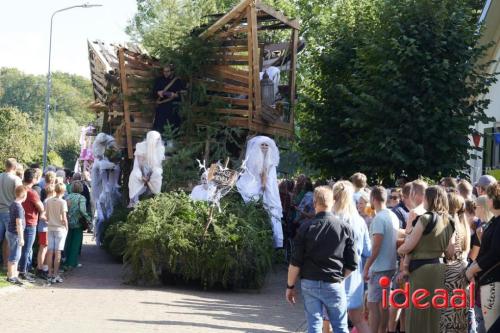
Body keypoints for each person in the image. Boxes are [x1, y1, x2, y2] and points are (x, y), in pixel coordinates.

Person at [286, 186, 357, 333]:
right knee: (340, 327)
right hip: (333, 282)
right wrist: (340, 278)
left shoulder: (305, 228)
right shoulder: (345, 228)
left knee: (314, 325)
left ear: (314, 203)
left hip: (310, 282)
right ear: (333, 202)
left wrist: (290, 286)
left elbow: (295, 262)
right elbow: (352, 263)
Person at [397, 186, 455, 333]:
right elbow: (450, 252)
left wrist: (399, 249)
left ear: (429, 199)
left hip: (421, 271)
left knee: (417, 313)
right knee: (435, 314)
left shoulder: (425, 218)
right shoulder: (450, 221)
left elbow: (409, 245)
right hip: (439, 270)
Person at [324, 181, 371, 333]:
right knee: (359, 321)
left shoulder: (330, 219)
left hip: (333, 275)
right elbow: (367, 251)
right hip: (355, 277)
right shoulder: (360, 221)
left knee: (328, 321)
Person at [362, 186, 400, 333]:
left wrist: (366, 267)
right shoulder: (392, 215)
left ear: (373, 199)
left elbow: (376, 245)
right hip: (390, 265)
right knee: (383, 304)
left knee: (372, 304)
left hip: (379, 267)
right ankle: (382, 330)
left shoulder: (379, 218)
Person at [237, 136, 283, 248]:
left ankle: (276, 240)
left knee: (272, 207)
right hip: (253, 184)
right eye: (262, 145)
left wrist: (265, 185)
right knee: (248, 194)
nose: (264, 147)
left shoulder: (271, 161)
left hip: (267, 187)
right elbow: (251, 174)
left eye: (266, 145)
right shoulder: (253, 158)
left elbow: (270, 178)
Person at [466, 183, 500, 333]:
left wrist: (473, 269)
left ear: (493, 201)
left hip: (493, 283)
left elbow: (495, 253)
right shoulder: (494, 221)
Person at [441, 191, 470, 333]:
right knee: (459, 310)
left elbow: (449, 249)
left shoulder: (448, 222)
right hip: (462, 267)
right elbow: (466, 249)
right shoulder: (463, 222)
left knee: (448, 309)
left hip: (449, 269)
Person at [18, 168, 45, 282]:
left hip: (18, 221)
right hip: (30, 222)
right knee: (27, 249)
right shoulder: (32, 192)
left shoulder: (19, 188)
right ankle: (23, 271)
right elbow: (41, 207)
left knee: (20, 248)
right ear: (33, 179)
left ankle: (23, 269)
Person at [128, 131, 165, 207]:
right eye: (156, 139)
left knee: (158, 173)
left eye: (158, 139)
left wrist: (149, 175)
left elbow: (158, 165)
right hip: (141, 168)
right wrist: (143, 175)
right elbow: (140, 163)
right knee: (135, 175)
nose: (158, 141)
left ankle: (155, 198)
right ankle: (133, 201)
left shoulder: (160, 148)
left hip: (152, 170)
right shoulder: (141, 146)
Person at [0, 158, 22, 268]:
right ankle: (7, 265)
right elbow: (20, 195)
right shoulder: (16, 179)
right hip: (10, 211)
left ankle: (4, 263)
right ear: (14, 167)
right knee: (9, 239)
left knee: (4, 239)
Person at [64, 181, 91, 269]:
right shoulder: (81, 198)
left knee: (68, 242)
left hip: (68, 222)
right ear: (81, 189)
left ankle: (66, 261)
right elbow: (83, 210)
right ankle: (72, 263)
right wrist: (88, 218)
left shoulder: (67, 197)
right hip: (78, 222)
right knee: (75, 244)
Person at [45, 183, 68, 283]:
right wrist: (66, 228)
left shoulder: (48, 201)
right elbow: (64, 218)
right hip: (60, 228)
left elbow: (46, 215)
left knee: (50, 251)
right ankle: (55, 274)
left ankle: (49, 273)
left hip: (50, 227)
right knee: (58, 252)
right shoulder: (63, 202)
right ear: (63, 191)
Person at [152, 64, 184, 134]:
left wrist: (171, 94)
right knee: (159, 127)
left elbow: (180, 94)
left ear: (172, 71)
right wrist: (158, 92)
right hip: (161, 107)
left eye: (167, 71)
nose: (165, 73)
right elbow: (153, 93)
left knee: (172, 126)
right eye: (164, 71)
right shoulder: (159, 80)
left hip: (172, 107)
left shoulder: (177, 81)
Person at [6, 185, 27, 285]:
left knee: (14, 254)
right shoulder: (18, 207)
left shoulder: (13, 204)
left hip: (10, 232)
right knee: (15, 255)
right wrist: (21, 238)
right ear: (24, 195)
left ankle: (14, 274)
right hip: (15, 234)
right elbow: (19, 223)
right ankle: (11, 276)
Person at [36, 183, 55, 278]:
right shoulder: (48, 201)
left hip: (45, 228)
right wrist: (49, 221)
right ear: (52, 192)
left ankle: (43, 267)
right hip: (44, 228)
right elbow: (42, 216)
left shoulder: (46, 200)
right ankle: (40, 268)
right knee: (43, 248)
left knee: (45, 248)